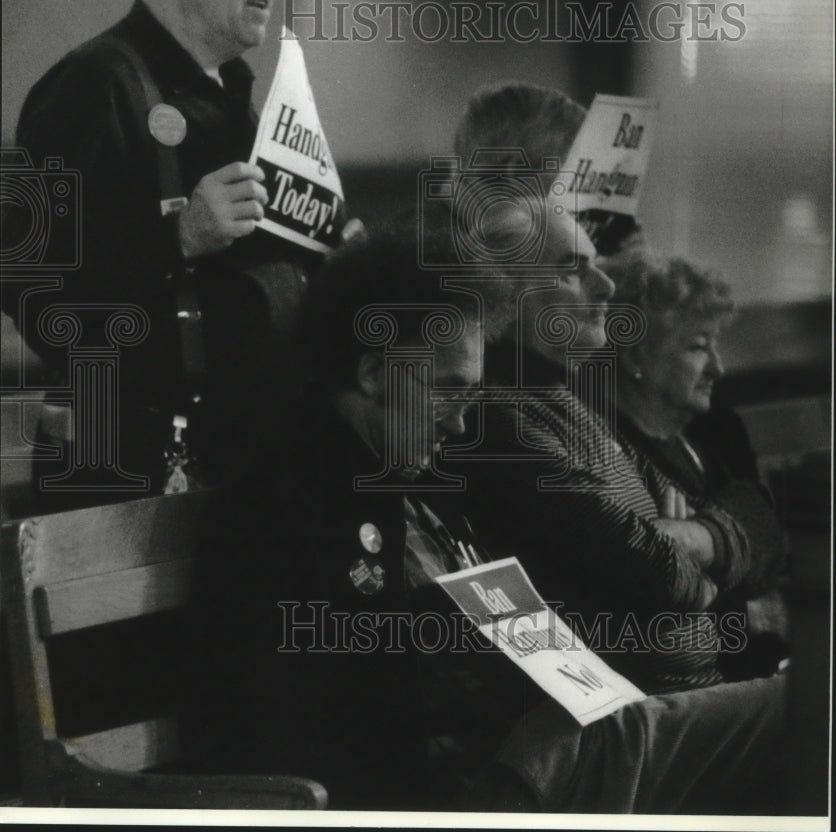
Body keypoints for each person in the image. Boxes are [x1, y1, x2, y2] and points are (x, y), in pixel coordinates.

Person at [181, 225, 788, 814]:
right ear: (372, 373)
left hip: (559, 739)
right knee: (791, 712)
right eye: (449, 391)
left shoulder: (414, 485)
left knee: (791, 704)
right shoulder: (283, 507)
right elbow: (292, 727)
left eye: (472, 395)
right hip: (479, 787)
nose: (461, 425)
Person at [1, 0, 335, 509]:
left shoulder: (235, 95)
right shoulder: (92, 84)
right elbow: (29, 284)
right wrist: (175, 237)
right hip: (125, 466)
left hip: (240, 452)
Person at [449, 198, 778, 695]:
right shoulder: (495, 418)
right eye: (572, 270)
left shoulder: (565, 401)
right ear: (504, 291)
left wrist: (687, 539)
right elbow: (659, 576)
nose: (603, 286)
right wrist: (700, 563)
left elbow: (753, 530)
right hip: (634, 718)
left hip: (685, 698)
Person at [599, 249, 788, 678]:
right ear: (634, 358)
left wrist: (705, 543)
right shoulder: (613, 458)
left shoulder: (711, 432)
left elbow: (766, 531)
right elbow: (661, 608)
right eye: (697, 347)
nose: (717, 368)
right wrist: (749, 612)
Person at [452, 81, 645, 255]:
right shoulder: (454, 258)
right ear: (518, 172)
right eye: (578, 175)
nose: (586, 199)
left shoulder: (487, 238)